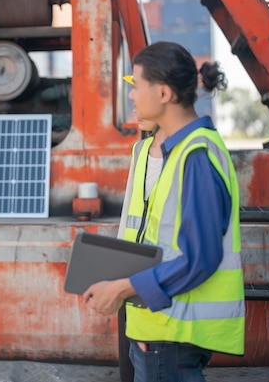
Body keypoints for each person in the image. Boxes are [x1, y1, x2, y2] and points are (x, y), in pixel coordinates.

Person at [85, 41, 244, 382]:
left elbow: (200, 258)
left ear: (163, 93)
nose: (131, 95)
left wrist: (125, 287)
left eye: (137, 85)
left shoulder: (196, 156)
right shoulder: (173, 149)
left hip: (172, 334)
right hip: (157, 326)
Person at [115, 112, 165, 382]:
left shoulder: (190, 154)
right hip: (133, 279)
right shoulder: (140, 149)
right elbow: (129, 215)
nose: (134, 105)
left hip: (162, 285)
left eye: (140, 89)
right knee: (133, 367)